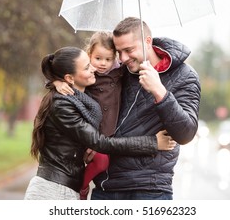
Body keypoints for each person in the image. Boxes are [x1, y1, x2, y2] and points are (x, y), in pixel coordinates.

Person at [24, 46, 175, 200]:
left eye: (90, 64)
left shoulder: (78, 99)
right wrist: (153, 143)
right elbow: (100, 142)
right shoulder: (62, 105)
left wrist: (54, 81)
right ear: (69, 78)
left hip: (63, 188)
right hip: (52, 191)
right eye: (86, 67)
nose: (93, 69)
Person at [90, 17, 201, 200]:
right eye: (119, 52)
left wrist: (160, 92)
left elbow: (186, 133)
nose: (123, 58)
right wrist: (55, 80)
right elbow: (76, 72)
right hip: (106, 187)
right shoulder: (118, 71)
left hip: (150, 189)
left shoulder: (185, 76)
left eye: (128, 50)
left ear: (147, 41)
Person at [55, 31, 123, 199]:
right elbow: (61, 72)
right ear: (89, 54)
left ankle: (83, 185)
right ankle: (82, 187)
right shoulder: (86, 76)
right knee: (101, 162)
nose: (103, 64)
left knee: (105, 165)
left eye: (108, 59)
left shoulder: (119, 74)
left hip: (109, 132)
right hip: (91, 130)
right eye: (98, 58)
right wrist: (55, 82)